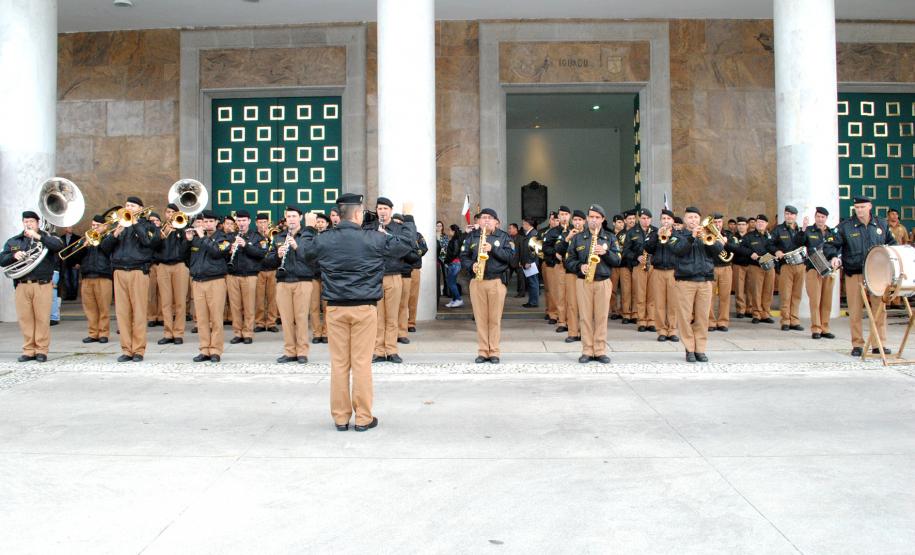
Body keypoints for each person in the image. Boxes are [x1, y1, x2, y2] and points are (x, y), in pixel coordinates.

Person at [303, 194, 415, 432]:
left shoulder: (325, 239)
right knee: (362, 363)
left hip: (335, 308)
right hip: (364, 308)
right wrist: (408, 218)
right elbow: (406, 245)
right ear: (356, 214)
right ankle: (363, 418)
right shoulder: (372, 238)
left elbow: (304, 253)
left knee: (340, 364)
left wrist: (309, 227)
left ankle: (341, 418)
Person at [831, 196, 896, 357]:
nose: (859, 210)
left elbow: (892, 244)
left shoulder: (881, 224)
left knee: (879, 309)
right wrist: (833, 256)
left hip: (877, 274)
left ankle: (878, 344)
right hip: (855, 273)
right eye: (857, 207)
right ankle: (857, 344)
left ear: (870, 207)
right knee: (855, 310)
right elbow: (831, 244)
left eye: (862, 207)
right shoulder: (845, 226)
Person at [0, 210, 64, 362]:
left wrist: (39, 237)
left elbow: (58, 246)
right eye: (26, 221)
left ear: (38, 223)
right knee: (25, 318)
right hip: (22, 285)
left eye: (31, 222)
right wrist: (13, 256)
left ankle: (41, 350)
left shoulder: (47, 238)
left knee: (42, 318)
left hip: (42, 284)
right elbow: (2, 259)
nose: (28, 224)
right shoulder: (15, 241)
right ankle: (29, 350)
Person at [104, 196, 161, 362]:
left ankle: (138, 350)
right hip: (119, 271)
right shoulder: (118, 224)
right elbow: (105, 248)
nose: (128, 207)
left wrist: (135, 223)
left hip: (138, 271)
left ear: (140, 208)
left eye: (132, 205)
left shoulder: (148, 225)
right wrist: (115, 233)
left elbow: (149, 242)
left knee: (139, 312)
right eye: (127, 205)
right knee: (122, 313)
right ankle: (126, 350)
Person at [564, 204, 621, 364]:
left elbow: (617, 260)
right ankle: (587, 350)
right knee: (585, 317)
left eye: (597, 217)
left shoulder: (610, 238)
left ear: (603, 219)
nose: (593, 220)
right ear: (587, 218)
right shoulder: (577, 238)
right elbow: (568, 261)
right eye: (591, 217)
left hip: (603, 281)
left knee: (602, 317)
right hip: (583, 282)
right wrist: (579, 266)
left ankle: (600, 350)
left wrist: (605, 252)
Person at [671, 207, 724, 363]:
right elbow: (678, 250)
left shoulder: (708, 234)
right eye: (689, 217)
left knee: (702, 317)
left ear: (699, 220)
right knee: (685, 317)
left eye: (695, 217)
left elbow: (719, 250)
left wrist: (706, 238)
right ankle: (689, 349)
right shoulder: (678, 235)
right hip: (685, 281)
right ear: (685, 220)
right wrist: (691, 238)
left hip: (705, 280)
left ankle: (700, 349)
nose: (692, 220)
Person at [461, 208, 513, 363]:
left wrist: (493, 249)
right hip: (477, 282)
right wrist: (472, 266)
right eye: (483, 218)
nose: (486, 220)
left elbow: (511, 258)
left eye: (490, 218)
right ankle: (483, 351)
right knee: (480, 318)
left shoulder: (504, 237)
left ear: (496, 221)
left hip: (496, 282)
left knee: (494, 319)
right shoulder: (471, 237)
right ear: (479, 221)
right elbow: (463, 256)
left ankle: (494, 351)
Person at [265, 206, 314, 364]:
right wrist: (277, 256)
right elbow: (268, 260)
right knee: (286, 319)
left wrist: (296, 247)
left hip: (302, 281)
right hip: (283, 281)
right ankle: (289, 351)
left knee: (300, 318)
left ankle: (302, 352)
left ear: (300, 218)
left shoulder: (307, 236)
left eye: (294, 216)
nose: (291, 219)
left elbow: (312, 257)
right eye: (289, 217)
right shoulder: (279, 237)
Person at [371, 197, 416, 363]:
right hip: (375, 277)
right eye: (379, 208)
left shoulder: (398, 228)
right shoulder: (370, 228)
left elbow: (404, 247)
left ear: (390, 210)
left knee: (392, 316)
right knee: (378, 317)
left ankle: (391, 350)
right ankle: (378, 350)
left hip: (394, 275)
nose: (382, 211)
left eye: (385, 208)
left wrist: (388, 238)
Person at [186, 210, 230, 362]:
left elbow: (217, 252)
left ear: (217, 223)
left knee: (216, 317)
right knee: (202, 318)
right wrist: (188, 241)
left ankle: (216, 350)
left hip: (215, 281)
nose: (207, 224)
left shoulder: (224, 238)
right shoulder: (197, 239)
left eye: (211, 221)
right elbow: (186, 259)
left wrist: (203, 237)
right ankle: (204, 349)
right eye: (205, 221)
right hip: (198, 281)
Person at [226, 209, 267, 345]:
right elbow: (221, 253)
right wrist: (228, 251)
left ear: (249, 221)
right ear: (236, 222)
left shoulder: (257, 237)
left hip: (249, 275)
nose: (241, 223)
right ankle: (237, 332)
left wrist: (245, 246)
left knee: (249, 306)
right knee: (235, 306)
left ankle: (248, 332)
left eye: (244, 220)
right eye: (239, 220)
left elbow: (262, 253)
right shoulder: (230, 236)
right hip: (233, 275)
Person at [795, 207, 837, 340]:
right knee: (815, 300)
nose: (820, 219)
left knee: (827, 300)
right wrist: (802, 230)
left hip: (829, 269)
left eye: (823, 217)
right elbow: (798, 242)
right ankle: (816, 328)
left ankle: (825, 327)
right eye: (818, 216)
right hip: (813, 268)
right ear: (815, 217)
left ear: (826, 218)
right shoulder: (808, 231)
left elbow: (837, 247)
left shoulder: (831, 232)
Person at [154, 204, 191, 346]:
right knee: (166, 302)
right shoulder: (159, 229)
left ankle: (178, 333)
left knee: (180, 301)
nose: (170, 214)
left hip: (179, 266)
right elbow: (153, 246)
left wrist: (182, 234)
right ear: (165, 214)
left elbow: (185, 250)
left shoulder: (182, 228)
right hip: (163, 266)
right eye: (168, 212)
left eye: (173, 212)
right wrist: (163, 234)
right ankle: (168, 333)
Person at [76, 215, 114, 345]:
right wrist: (83, 246)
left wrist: (99, 239)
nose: (94, 228)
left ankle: (103, 333)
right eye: (93, 225)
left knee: (103, 308)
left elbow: (108, 250)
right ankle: (93, 333)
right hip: (87, 277)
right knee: (90, 308)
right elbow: (74, 258)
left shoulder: (109, 237)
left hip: (103, 276)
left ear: (105, 226)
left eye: (97, 225)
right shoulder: (84, 239)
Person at [644, 209, 679, 342]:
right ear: (660, 221)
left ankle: (673, 330)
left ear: (672, 221)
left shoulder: (677, 234)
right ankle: (662, 330)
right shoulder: (654, 234)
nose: (665, 221)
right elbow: (647, 248)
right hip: (658, 271)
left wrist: (670, 238)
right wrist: (657, 237)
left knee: (673, 302)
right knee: (659, 302)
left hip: (673, 271)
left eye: (668, 219)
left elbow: (680, 250)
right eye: (663, 219)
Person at [769, 205, 805, 331]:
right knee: (786, 294)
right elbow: (770, 244)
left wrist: (805, 231)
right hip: (786, 266)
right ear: (784, 215)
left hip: (800, 265)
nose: (789, 216)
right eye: (787, 214)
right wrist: (776, 251)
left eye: (792, 214)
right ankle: (785, 320)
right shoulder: (778, 229)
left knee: (797, 294)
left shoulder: (800, 229)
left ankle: (794, 320)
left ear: (796, 216)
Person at [556, 210, 588, 342]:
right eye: (575, 220)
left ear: (584, 222)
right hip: (570, 272)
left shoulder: (589, 234)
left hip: (586, 273)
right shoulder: (565, 233)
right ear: (572, 221)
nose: (577, 222)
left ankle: (585, 332)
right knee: (572, 303)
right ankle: (573, 332)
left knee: (585, 305)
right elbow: (558, 250)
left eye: (580, 220)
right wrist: (567, 238)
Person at [738, 214, 776, 325]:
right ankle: (756, 314)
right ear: (755, 223)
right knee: (756, 291)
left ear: (766, 224)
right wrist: (750, 253)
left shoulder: (770, 236)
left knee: (768, 291)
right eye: (758, 222)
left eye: (762, 222)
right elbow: (741, 248)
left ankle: (765, 313)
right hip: (755, 267)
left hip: (770, 266)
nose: (760, 224)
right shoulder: (749, 236)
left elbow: (776, 248)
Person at [624, 208, 657, 332]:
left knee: (652, 294)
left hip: (653, 266)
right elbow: (625, 251)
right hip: (639, 266)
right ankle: (642, 321)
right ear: (639, 219)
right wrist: (636, 257)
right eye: (643, 218)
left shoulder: (656, 231)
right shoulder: (632, 232)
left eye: (648, 218)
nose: (646, 220)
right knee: (640, 294)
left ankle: (652, 320)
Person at [708, 212, 738, 332]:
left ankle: (723, 322)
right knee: (710, 296)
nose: (717, 224)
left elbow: (736, 249)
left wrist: (726, 243)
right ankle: (710, 321)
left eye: (719, 222)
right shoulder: (707, 234)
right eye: (714, 222)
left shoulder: (729, 235)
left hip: (726, 267)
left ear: (722, 223)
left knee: (725, 296)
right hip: (712, 267)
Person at [254, 213, 279, 333]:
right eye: (260, 222)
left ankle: (271, 322)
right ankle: (259, 322)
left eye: (264, 222)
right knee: (259, 298)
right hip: (259, 270)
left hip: (272, 270)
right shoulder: (253, 236)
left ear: (267, 223)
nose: (262, 225)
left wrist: (269, 238)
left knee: (272, 298)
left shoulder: (274, 235)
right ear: (256, 223)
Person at [309, 212, 330, 344]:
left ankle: (326, 332)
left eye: (322, 222)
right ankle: (317, 333)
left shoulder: (331, 237)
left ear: (327, 224)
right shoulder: (310, 236)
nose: (320, 224)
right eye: (318, 222)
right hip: (313, 275)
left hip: (327, 275)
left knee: (327, 306)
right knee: (314, 306)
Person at [540, 210, 561, 323]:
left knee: (556, 290)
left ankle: (555, 313)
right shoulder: (544, 231)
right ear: (550, 220)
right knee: (549, 290)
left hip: (558, 264)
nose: (555, 222)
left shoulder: (564, 230)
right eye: (553, 219)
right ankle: (550, 311)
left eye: (557, 219)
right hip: (547, 262)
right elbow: (543, 246)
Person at [406, 230, 428, 333]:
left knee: (413, 297)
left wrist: (413, 253)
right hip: (400, 270)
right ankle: (400, 323)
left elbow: (424, 248)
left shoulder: (418, 235)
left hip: (414, 269)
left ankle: (411, 323)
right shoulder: (398, 233)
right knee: (400, 299)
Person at [731, 217, 752, 318]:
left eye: (743, 224)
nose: (741, 226)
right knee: (739, 289)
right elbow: (733, 249)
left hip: (750, 265)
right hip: (738, 265)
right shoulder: (733, 237)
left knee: (750, 288)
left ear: (747, 226)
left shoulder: (751, 236)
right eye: (739, 225)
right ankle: (740, 310)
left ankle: (749, 309)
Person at [520, 217, 540, 308]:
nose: (522, 225)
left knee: (533, 282)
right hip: (528, 262)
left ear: (528, 224)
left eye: (523, 224)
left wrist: (529, 262)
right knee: (531, 282)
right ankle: (531, 301)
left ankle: (533, 302)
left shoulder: (533, 234)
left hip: (531, 263)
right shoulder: (530, 233)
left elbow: (533, 250)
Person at [609, 215, 625, 320]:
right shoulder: (609, 234)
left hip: (624, 264)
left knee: (625, 290)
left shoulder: (627, 234)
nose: (621, 224)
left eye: (622, 222)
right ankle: (614, 310)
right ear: (614, 223)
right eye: (619, 222)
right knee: (613, 289)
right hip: (613, 265)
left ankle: (623, 311)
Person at [58, 226, 81, 300]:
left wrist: (78, 262)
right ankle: (68, 295)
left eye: (71, 227)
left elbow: (80, 252)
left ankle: (73, 295)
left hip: (74, 262)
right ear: (65, 229)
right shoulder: (61, 238)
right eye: (69, 228)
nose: (71, 229)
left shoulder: (77, 238)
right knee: (66, 279)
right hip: (65, 263)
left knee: (75, 279)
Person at [444, 224, 464, 307]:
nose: (449, 232)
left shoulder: (455, 240)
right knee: (452, 282)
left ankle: (459, 299)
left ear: (453, 231)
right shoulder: (455, 239)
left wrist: (447, 261)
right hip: (454, 263)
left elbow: (454, 253)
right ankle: (454, 300)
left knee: (451, 283)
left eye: (449, 230)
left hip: (454, 263)